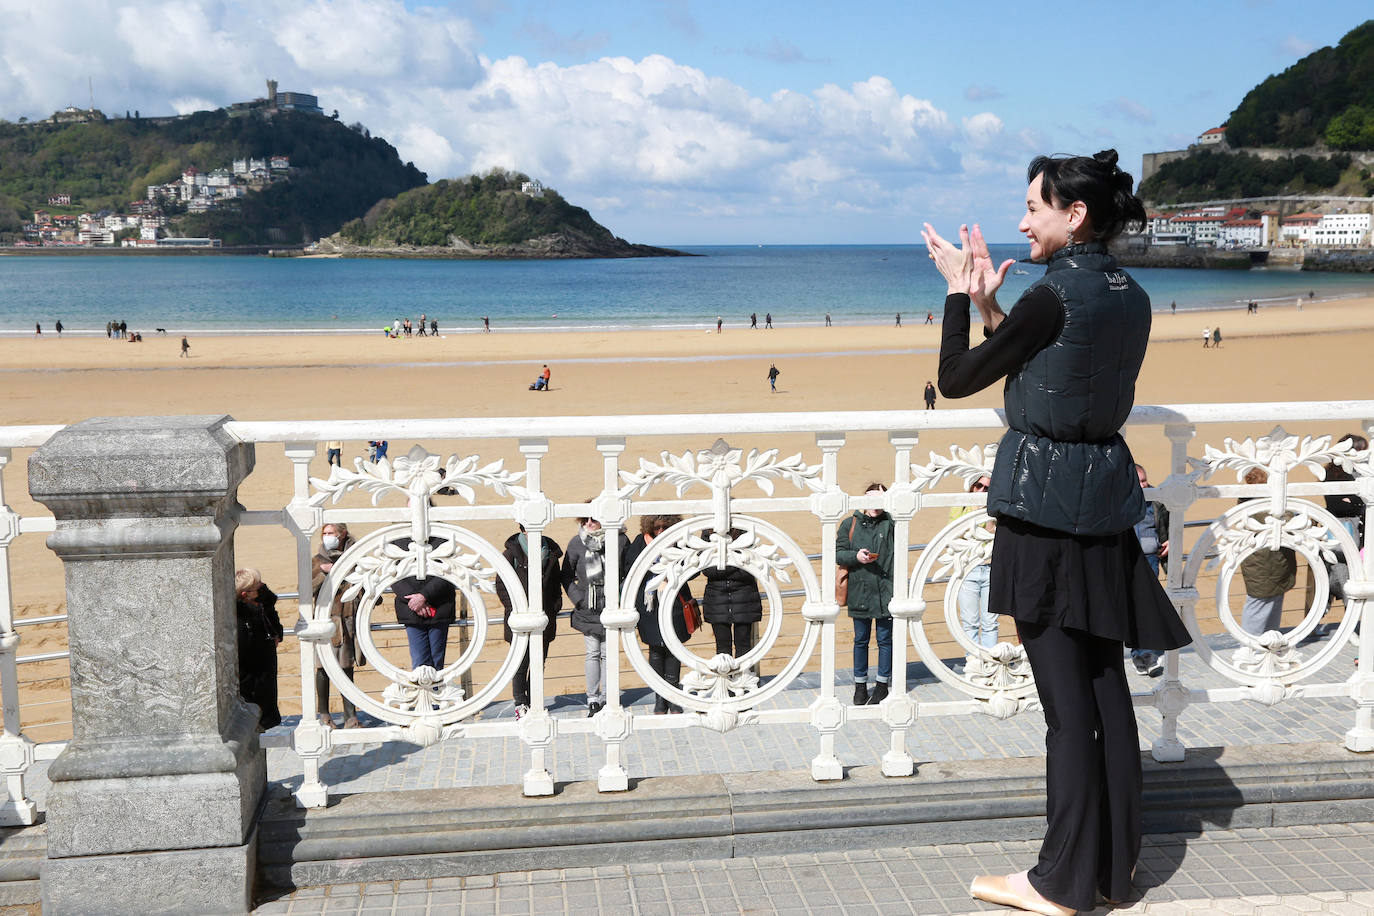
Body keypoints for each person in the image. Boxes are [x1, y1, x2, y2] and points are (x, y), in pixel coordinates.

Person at [924, 149, 1191, 915]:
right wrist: (991, 309)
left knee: (1066, 706)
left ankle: (1060, 881)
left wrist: (954, 294)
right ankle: (1114, 867)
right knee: (1103, 687)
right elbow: (1058, 369)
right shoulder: (1129, 294)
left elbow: (957, 378)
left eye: (1034, 208)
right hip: (1104, 501)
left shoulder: (1053, 294)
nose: (1022, 221)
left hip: (1045, 512)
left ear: (1074, 215)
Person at [563, 512, 630, 716]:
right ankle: (593, 698)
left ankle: (608, 697)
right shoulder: (576, 543)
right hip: (587, 608)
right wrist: (579, 598)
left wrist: (618, 595)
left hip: (612, 606)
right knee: (592, 653)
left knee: (608, 654)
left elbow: (628, 572)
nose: (590, 523)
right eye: (585, 520)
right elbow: (565, 575)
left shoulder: (620, 540)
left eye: (594, 519)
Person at [629, 515, 696, 714]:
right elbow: (630, 568)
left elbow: (696, 569)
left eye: (665, 527)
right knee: (656, 652)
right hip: (649, 605)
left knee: (674, 649)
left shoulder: (681, 541)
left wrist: (675, 568)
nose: (660, 532)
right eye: (656, 528)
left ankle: (674, 697)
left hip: (675, 602)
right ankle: (660, 698)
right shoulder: (640, 542)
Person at [494, 525, 562, 719]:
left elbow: (556, 583)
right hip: (519, 618)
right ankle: (520, 702)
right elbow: (501, 584)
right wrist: (515, 607)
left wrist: (555, 606)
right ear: (523, 530)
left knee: (538, 662)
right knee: (520, 663)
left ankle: (535, 701)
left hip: (544, 616)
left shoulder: (550, 552)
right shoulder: (510, 554)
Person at [837, 482, 894, 706]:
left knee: (884, 639)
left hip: (885, 591)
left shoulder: (891, 523)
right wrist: (855, 556)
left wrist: (889, 502)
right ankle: (859, 687)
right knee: (860, 640)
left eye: (880, 499)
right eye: (871, 498)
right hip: (859, 591)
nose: (875, 504)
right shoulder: (849, 524)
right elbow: (839, 553)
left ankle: (882, 686)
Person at [312, 524, 362, 728]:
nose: (327, 537)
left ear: (341, 535)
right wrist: (324, 574)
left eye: (330, 533)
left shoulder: (355, 559)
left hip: (348, 620)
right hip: (326, 621)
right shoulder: (318, 560)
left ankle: (350, 716)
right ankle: (324, 714)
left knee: (346, 667)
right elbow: (305, 589)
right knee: (323, 667)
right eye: (324, 533)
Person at [1237, 468, 1296, 636]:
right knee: (1260, 606)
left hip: (1270, 564)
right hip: (1268, 564)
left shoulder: (1248, 499)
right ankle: (1251, 645)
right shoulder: (1263, 503)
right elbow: (1290, 523)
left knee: (1271, 603)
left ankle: (1267, 643)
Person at [389, 534, 456, 672]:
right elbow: (393, 574)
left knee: (437, 664)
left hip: (439, 607)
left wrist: (424, 596)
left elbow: (450, 571)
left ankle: (435, 692)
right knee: (420, 663)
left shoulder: (443, 537)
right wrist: (416, 601)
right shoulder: (396, 539)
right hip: (411, 610)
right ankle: (422, 693)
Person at [1129, 465, 1171, 677]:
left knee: (1147, 608)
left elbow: (1170, 524)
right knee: (1134, 610)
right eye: (1140, 482)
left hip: (1150, 561)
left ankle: (1144, 656)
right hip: (1127, 563)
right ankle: (1140, 655)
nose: (1145, 485)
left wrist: (1170, 541)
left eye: (1145, 480)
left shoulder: (1157, 500)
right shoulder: (1119, 500)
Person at [699, 528, 763, 664]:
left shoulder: (746, 533)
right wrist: (736, 563)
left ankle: (744, 682)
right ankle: (726, 683)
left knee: (744, 647)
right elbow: (707, 570)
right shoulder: (707, 534)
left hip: (744, 600)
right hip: (717, 600)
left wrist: (722, 567)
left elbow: (751, 569)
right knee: (722, 650)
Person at [951, 476, 997, 651]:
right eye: (979, 486)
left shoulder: (995, 508)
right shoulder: (960, 505)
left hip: (991, 568)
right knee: (970, 622)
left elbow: (993, 533)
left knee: (990, 622)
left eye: (987, 488)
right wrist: (973, 511)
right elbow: (954, 534)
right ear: (972, 486)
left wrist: (987, 515)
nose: (982, 491)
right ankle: (973, 663)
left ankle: (990, 664)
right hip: (968, 570)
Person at [235, 568, 283, 730]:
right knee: (255, 722)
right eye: (258, 587)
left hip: (265, 674)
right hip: (251, 679)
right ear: (245, 594)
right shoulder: (240, 616)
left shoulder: (264, 605)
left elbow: (276, 627)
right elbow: (246, 647)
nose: (263, 587)